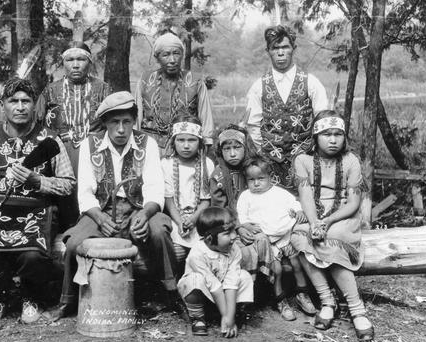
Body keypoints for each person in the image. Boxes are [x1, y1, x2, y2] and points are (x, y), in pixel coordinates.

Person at [50, 91, 182, 320]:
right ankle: (68, 300)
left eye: (127, 122)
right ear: (105, 123)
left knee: (159, 231)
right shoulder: (90, 145)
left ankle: (169, 292)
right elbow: (85, 192)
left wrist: (146, 212)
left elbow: (154, 188)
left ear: (134, 122)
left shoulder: (147, 143)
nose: (121, 129)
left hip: (139, 208)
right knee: (73, 243)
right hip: (100, 210)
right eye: (115, 122)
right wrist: (100, 219)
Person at [0, 77, 75, 325]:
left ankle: (31, 296)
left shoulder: (50, 140)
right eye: (13, 101)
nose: (20, 107)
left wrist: (37, 180)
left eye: (26, 101)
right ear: (2, 105)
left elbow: (68, 184)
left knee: (33, 257)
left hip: (36, 213)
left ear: (35, 106)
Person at [290, 110, 374, 340]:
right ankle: (327, 300)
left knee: (333, 240)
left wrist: (327, 221)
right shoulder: (303, 160)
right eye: (327, 134)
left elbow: (354, 202)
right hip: (314, 213)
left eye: (338, 134)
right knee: (298, 235)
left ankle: (357, 310)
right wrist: (315, 221)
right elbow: (305, 195)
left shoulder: (350, 160)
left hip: (342, 216)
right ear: (315, 136)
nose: (333, 140)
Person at [36, 41, 111, 230]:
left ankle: (90, 225)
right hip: (62, 150)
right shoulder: (51, 90)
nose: (75, 64)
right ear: (63, 63)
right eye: (70, 60)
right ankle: (65, 228)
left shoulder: (103, 89)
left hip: (95, 148)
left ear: (89, 62)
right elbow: (38, 123)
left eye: (81, 59)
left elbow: (112, 121)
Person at [245, 25, 330, 190]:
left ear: (294, 48)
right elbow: (253, 125)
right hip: (272, 164)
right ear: (268, 51)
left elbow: (323, 122)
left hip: (305, 160)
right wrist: (264, 153)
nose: (280, 52)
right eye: (275, 48)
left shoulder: (311, 83)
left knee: (306, 207)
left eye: (285, 47)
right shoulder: (258, 87)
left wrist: (313, 152)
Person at [236, 156, 317, 321]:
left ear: (270, 177)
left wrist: (299, 211)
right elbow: (241, 216)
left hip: (285, 236)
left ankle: (302, 294)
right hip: (267, 240)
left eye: (261, 179)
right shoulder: (246, 196)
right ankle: (280, 301)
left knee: (297, 264)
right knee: (278, 270)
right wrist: (246, 225)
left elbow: (294, 203)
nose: (256, 183)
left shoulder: (279, 193)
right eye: (251, 180)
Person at [210, 124, 275, 284]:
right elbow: (220, 208)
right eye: (227, 149)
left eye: (237, 147)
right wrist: (239, 227)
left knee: (263, 240)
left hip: (257, 220)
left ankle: (264, 287)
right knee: (244, 251)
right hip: (230, 226)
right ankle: (243, 289)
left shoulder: (252, 171)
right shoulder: (218, 175)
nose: (232, 153)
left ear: (245, 147)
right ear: (220, 151)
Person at [178, 207, 254, 337]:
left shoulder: (234, 250)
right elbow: (214, 285)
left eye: (233, 231)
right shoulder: (197, 254)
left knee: (244, 276)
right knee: (194, 280)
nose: (234, 236)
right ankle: (198, 317)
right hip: (206, 293)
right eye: (227, 233)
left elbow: (232, 282)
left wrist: (229, 317)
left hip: (224, 294)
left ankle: (233, 311)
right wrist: (226, 316)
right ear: (209, 239)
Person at [135, 32, 214, 150]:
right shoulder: (145, 80)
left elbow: (205, 116)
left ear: (182, 55)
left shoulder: (195, 81)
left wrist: (206, 142)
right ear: (157, 58)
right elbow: (136, 117)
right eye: (165, 55)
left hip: (184, 146)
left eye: (176, 53)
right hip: (149, 145)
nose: (172, 60)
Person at [161, 115, 214, 265]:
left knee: (202, 255)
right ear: (173, 141)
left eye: (191, 140)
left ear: (200, 142)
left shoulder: (206, 163)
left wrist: (193, 219)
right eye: (181, 140)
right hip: (175, 218)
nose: (186, 146)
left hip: (199, 218)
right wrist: (179, 222)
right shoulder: (166, 164)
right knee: (177, 254)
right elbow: (169, 199)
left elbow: (205, 200)